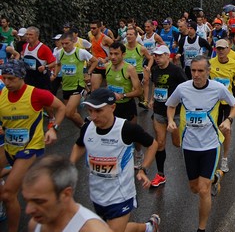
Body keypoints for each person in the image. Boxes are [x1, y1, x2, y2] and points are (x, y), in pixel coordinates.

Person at [166, 57, 235, 232]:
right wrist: (171, 120)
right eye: (193, 71)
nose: (196, 74)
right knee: (194, 188)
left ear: (208, 72)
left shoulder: (218, 88)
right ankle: (216, 178)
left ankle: (201, 228)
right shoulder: (183, 88)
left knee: (203, 189)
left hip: (210, 145)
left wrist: (229, 120)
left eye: (200, 71)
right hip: (189, 145)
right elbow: (171, 105)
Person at [70, 88, 160, 232]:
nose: (93, 116)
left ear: (112, 107)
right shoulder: (87, 128)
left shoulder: (127, 129)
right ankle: (148, 227)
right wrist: (70, 164)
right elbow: (79, 145)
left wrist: (143, 169)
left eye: (98, 111)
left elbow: (153, 144)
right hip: (97, 194)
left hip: (121, 196)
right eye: (90, 111)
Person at [0, 59, 66, 232]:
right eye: (4, 78)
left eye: (11, 78)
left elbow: (61, 108)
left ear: (21, 77)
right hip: (8, 147)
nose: (6, 82)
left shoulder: (36, 94)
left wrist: (53, 129)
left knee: (8, 193)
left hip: (30, 148)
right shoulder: (1, 95)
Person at [23, 154, 112, 232]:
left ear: (66, 194)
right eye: (27, 200)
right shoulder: (35, 224)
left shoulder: (93, 230)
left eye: (39, 201)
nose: (28, 210)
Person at [148, 45, 187, 187]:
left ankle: (192, 161)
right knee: (160, 142)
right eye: (155, 56)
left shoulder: (176, 71)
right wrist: (152, 98)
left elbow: (186, 87)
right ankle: (160, 174)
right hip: (158, 111)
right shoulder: (155, 70)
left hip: (175, 113)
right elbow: (155, 85)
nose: (157, 58)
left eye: (159, 56)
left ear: (167, 55)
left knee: (177, 143)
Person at [209, 39, 235, 172]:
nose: (221, 51)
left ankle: (224, 158)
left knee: (226, 129)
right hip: (214, 103)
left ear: (228, 49)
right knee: (213, 129)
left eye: (223, 48)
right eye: (218, 48)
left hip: (228, 102)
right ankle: (212, 155)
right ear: (215, 49)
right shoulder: (210, 64)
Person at [53, 32, 98, 128]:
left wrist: (88, 73)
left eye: (67, 43)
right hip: (66, 86)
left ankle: (84, 127)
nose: (64, 46)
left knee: (68, 113)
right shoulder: (59, 53)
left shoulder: (80, 52)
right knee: (72, 114)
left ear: (73, 41)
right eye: (62, 43)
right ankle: (84, 128)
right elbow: (58, 64)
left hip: (78, 85)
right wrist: (55, 74)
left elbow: (95, 61)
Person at [22, 27, 56, 91]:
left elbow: (54, 62)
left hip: (41, 81)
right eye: (27, 34)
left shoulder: (44, 48)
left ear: (37, 36)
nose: (28, 36)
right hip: (28, 79)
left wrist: (45, 67)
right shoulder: (24, 46)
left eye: (31, 35)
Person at [88, 21, 114, 91]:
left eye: (94, 28)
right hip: (98, 67)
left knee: (111, 90)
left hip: (108, 67)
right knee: (94, 89)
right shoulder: (92, 39)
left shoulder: (105, 39)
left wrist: (106, 59)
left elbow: (117, 51)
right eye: (91, 28)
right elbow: (93, 52)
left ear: (99, 28)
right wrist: (91, 60)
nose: (92, 30)